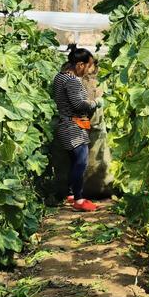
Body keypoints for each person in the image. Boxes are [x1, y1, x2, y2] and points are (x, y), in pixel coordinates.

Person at [52, 44, 103, 212]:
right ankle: (79, 200)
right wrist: (95, 102)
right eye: (88, 66)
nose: (89, 71)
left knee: (73, 162)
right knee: (81, 161)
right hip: (73, 126)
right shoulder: (73, 80)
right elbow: (79, 105)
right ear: (80, 65)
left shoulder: (60, 77)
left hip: (64, 123)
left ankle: (72, 195)